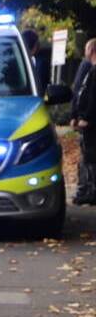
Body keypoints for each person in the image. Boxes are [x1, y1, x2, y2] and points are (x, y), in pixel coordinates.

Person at [72, 38, 96, 206]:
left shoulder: (91, 70)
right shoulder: (90, 69)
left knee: (89, 158)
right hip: (87, 120)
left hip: (90, 123)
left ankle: (89, 191)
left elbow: (91, 96)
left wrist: (85, 117)